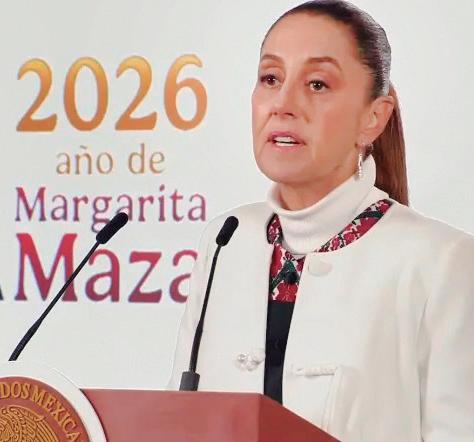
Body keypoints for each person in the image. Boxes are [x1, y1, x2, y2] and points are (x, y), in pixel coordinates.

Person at [168, 1, 474, 440]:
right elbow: (178, 418)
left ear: (374, 117)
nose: (283, 104)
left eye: (317, 84)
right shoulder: (225, 240)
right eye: (270, 78)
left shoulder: (443, 261)